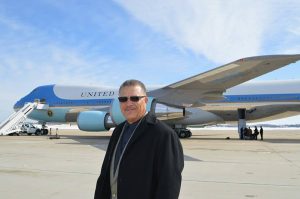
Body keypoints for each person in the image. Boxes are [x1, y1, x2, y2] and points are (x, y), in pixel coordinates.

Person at [94, 79, 184, 199]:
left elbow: (169, 184)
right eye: (123, 99)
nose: (128, 103)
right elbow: (105, 173)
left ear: (146, 101)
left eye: (135, 98)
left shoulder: (163, 134)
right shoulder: (118, 131)